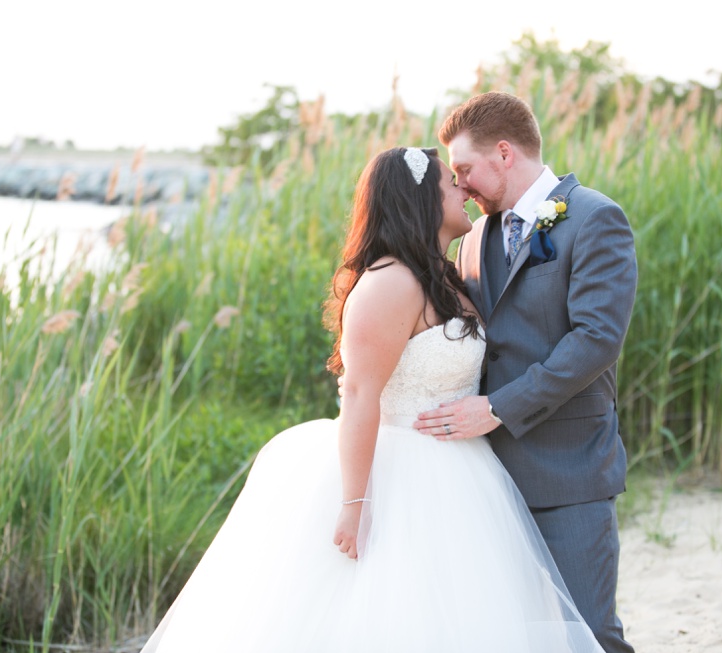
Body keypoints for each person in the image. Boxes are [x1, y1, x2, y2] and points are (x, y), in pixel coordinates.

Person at [140, 146, 603, 652]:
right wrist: (355, 502)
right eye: (453, 183)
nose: (465, 190)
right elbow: (360, 395)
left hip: (465, 473)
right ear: (422, 200)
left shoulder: (444, 276)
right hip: (402, 475)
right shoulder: (389, 283)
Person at [414, 92, 638, 653]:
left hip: (570, 468)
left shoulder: (594, 218)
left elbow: (595, 340)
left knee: (589, 633)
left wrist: (495, 408)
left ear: (506, 153)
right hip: (486, 479)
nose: (460, 185)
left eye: (464, 169)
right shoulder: (474, 236)